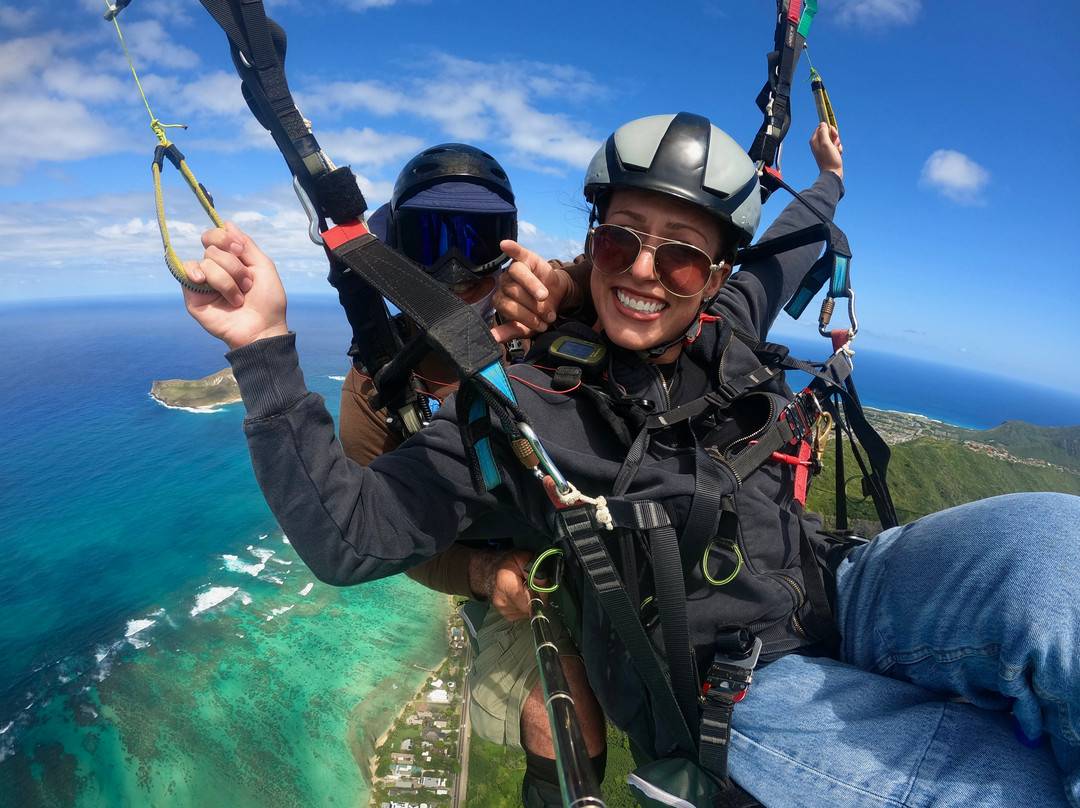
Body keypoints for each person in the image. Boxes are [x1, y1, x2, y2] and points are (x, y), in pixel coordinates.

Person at [180, 114, 1080, 808]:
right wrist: (264, 348)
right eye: (621, 241)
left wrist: (830, 180)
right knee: (1006, 784)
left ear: (718, 275)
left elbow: (789, 242)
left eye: (683, 257)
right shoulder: (513, 406)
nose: (647, 269)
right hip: (728, 685)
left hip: (833, 580)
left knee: (1057, 547)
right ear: (594, 238)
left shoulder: (726, 326)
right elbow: (353, 537)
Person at [333, 142, 608, 795]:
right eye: (432, 249)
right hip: (512, 566)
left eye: (474, 248)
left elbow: (611, 264)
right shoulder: (377, 392)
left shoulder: (541, 315)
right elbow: (384, 540)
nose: (454, 276)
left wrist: (559, 289)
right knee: (556, 714)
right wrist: (482, 574)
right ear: (396, 264)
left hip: (597, 531)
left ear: (506, 254)